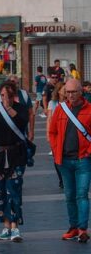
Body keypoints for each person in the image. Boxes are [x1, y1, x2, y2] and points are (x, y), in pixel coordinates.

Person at [0, 80, 30, 243]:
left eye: (7, 95)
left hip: (16, 154)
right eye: (2, 95)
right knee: (0, 191)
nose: (4, 98)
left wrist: (9, 107)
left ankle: (15, 227)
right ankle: (6, 226)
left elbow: (22, 122)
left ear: (13, 95)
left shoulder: (20, 109)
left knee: (14, 190)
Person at [49, 77, 91, 242]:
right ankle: (73, 227)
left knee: (81, 195)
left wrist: (89, 151)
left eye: (74, 92)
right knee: (69, 195)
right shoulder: (61, 109)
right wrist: (55, 148)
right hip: (64, 160)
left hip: (83, 160)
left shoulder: (89, 109)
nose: (71, 95)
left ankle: (82, 229)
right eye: (68, 92)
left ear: (81, 92)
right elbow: (52, 132)